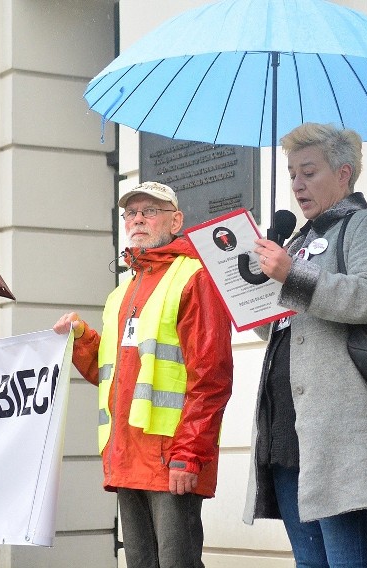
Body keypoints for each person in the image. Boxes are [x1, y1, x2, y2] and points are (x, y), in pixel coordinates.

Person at [242, 122, 367, 567]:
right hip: (288, 431)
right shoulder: (297, 241)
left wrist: (290, 275)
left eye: (309, 172)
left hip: (341, 435)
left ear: (344, 174)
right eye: (292, 175)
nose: (297, 185)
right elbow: (282, 328)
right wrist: (247, 295)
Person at [53, 181, 233, 568]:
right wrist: (83, 339)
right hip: (128, 459)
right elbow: (111, 373)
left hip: (172, 461)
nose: (137, 219)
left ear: (175, 220)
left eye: (149, 211)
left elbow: (211, 377)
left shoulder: (194, 276)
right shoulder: (123, 291)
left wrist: (190, 454)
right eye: (130, 213)